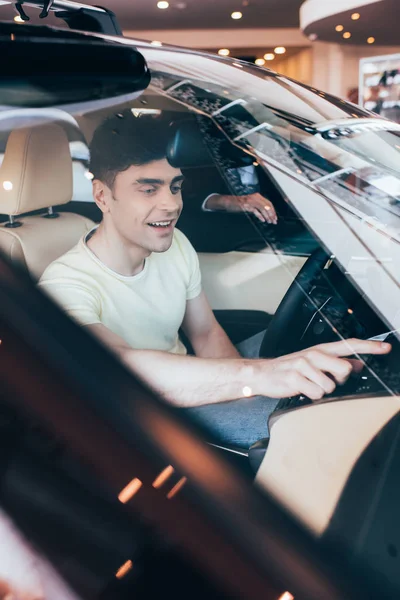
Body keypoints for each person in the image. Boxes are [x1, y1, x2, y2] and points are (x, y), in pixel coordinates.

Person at [39, 112, 391, 448]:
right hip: (144, 414)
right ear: (102, 196)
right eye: (149, 190)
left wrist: (251, 383)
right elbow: (120, 368)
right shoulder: (64, 284)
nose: (170, 205)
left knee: (336, 359)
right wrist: (258, 379)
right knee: (310, 426)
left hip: (191, 376)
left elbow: (205, 333)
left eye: (175, 187)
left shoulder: (175, 245)